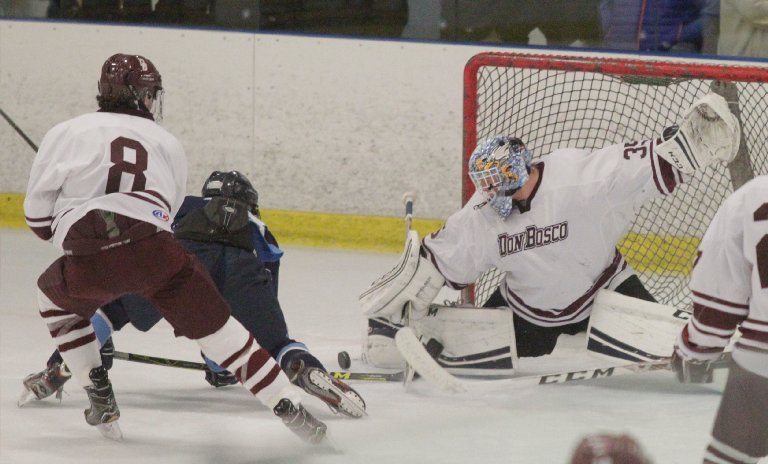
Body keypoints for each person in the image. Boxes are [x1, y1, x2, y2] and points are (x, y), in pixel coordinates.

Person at [22, 53, 327, 444]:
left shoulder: (66, 132)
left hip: (89, 254)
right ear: (135, 94)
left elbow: (37, 221)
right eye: (148, 94)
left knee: (54, 301)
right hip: (156, 254)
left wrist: (69, 219)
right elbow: (164, 215)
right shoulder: (167, 142)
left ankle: (97, 389)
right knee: (222, 333)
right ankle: (288, 406)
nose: (151, 101)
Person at [360, 92, 740, 369]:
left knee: (678, 358)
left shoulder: (579, 180)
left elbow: (645, 167)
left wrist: (691, 142)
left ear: (519, 172)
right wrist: (397, 315)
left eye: (495, 182)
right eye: (484, 184)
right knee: (455, 357)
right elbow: (437, 262)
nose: (488, 194)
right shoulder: (484, 215)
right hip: (528, 313)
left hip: (604, 292)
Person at [20, 170, 366, 418]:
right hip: (242, 270)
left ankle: (62, 362)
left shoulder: (184, 205)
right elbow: (264, 289)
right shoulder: (258, 227)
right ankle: (304, 369)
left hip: (177, 262)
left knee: (114, 311)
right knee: (277, 344)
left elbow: (144, 237)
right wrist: (221, 365)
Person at [671, 176, 768, 464]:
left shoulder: (752, 196)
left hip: (762, 362)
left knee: (729, 458)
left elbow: (716, 310)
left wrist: (690, 355)